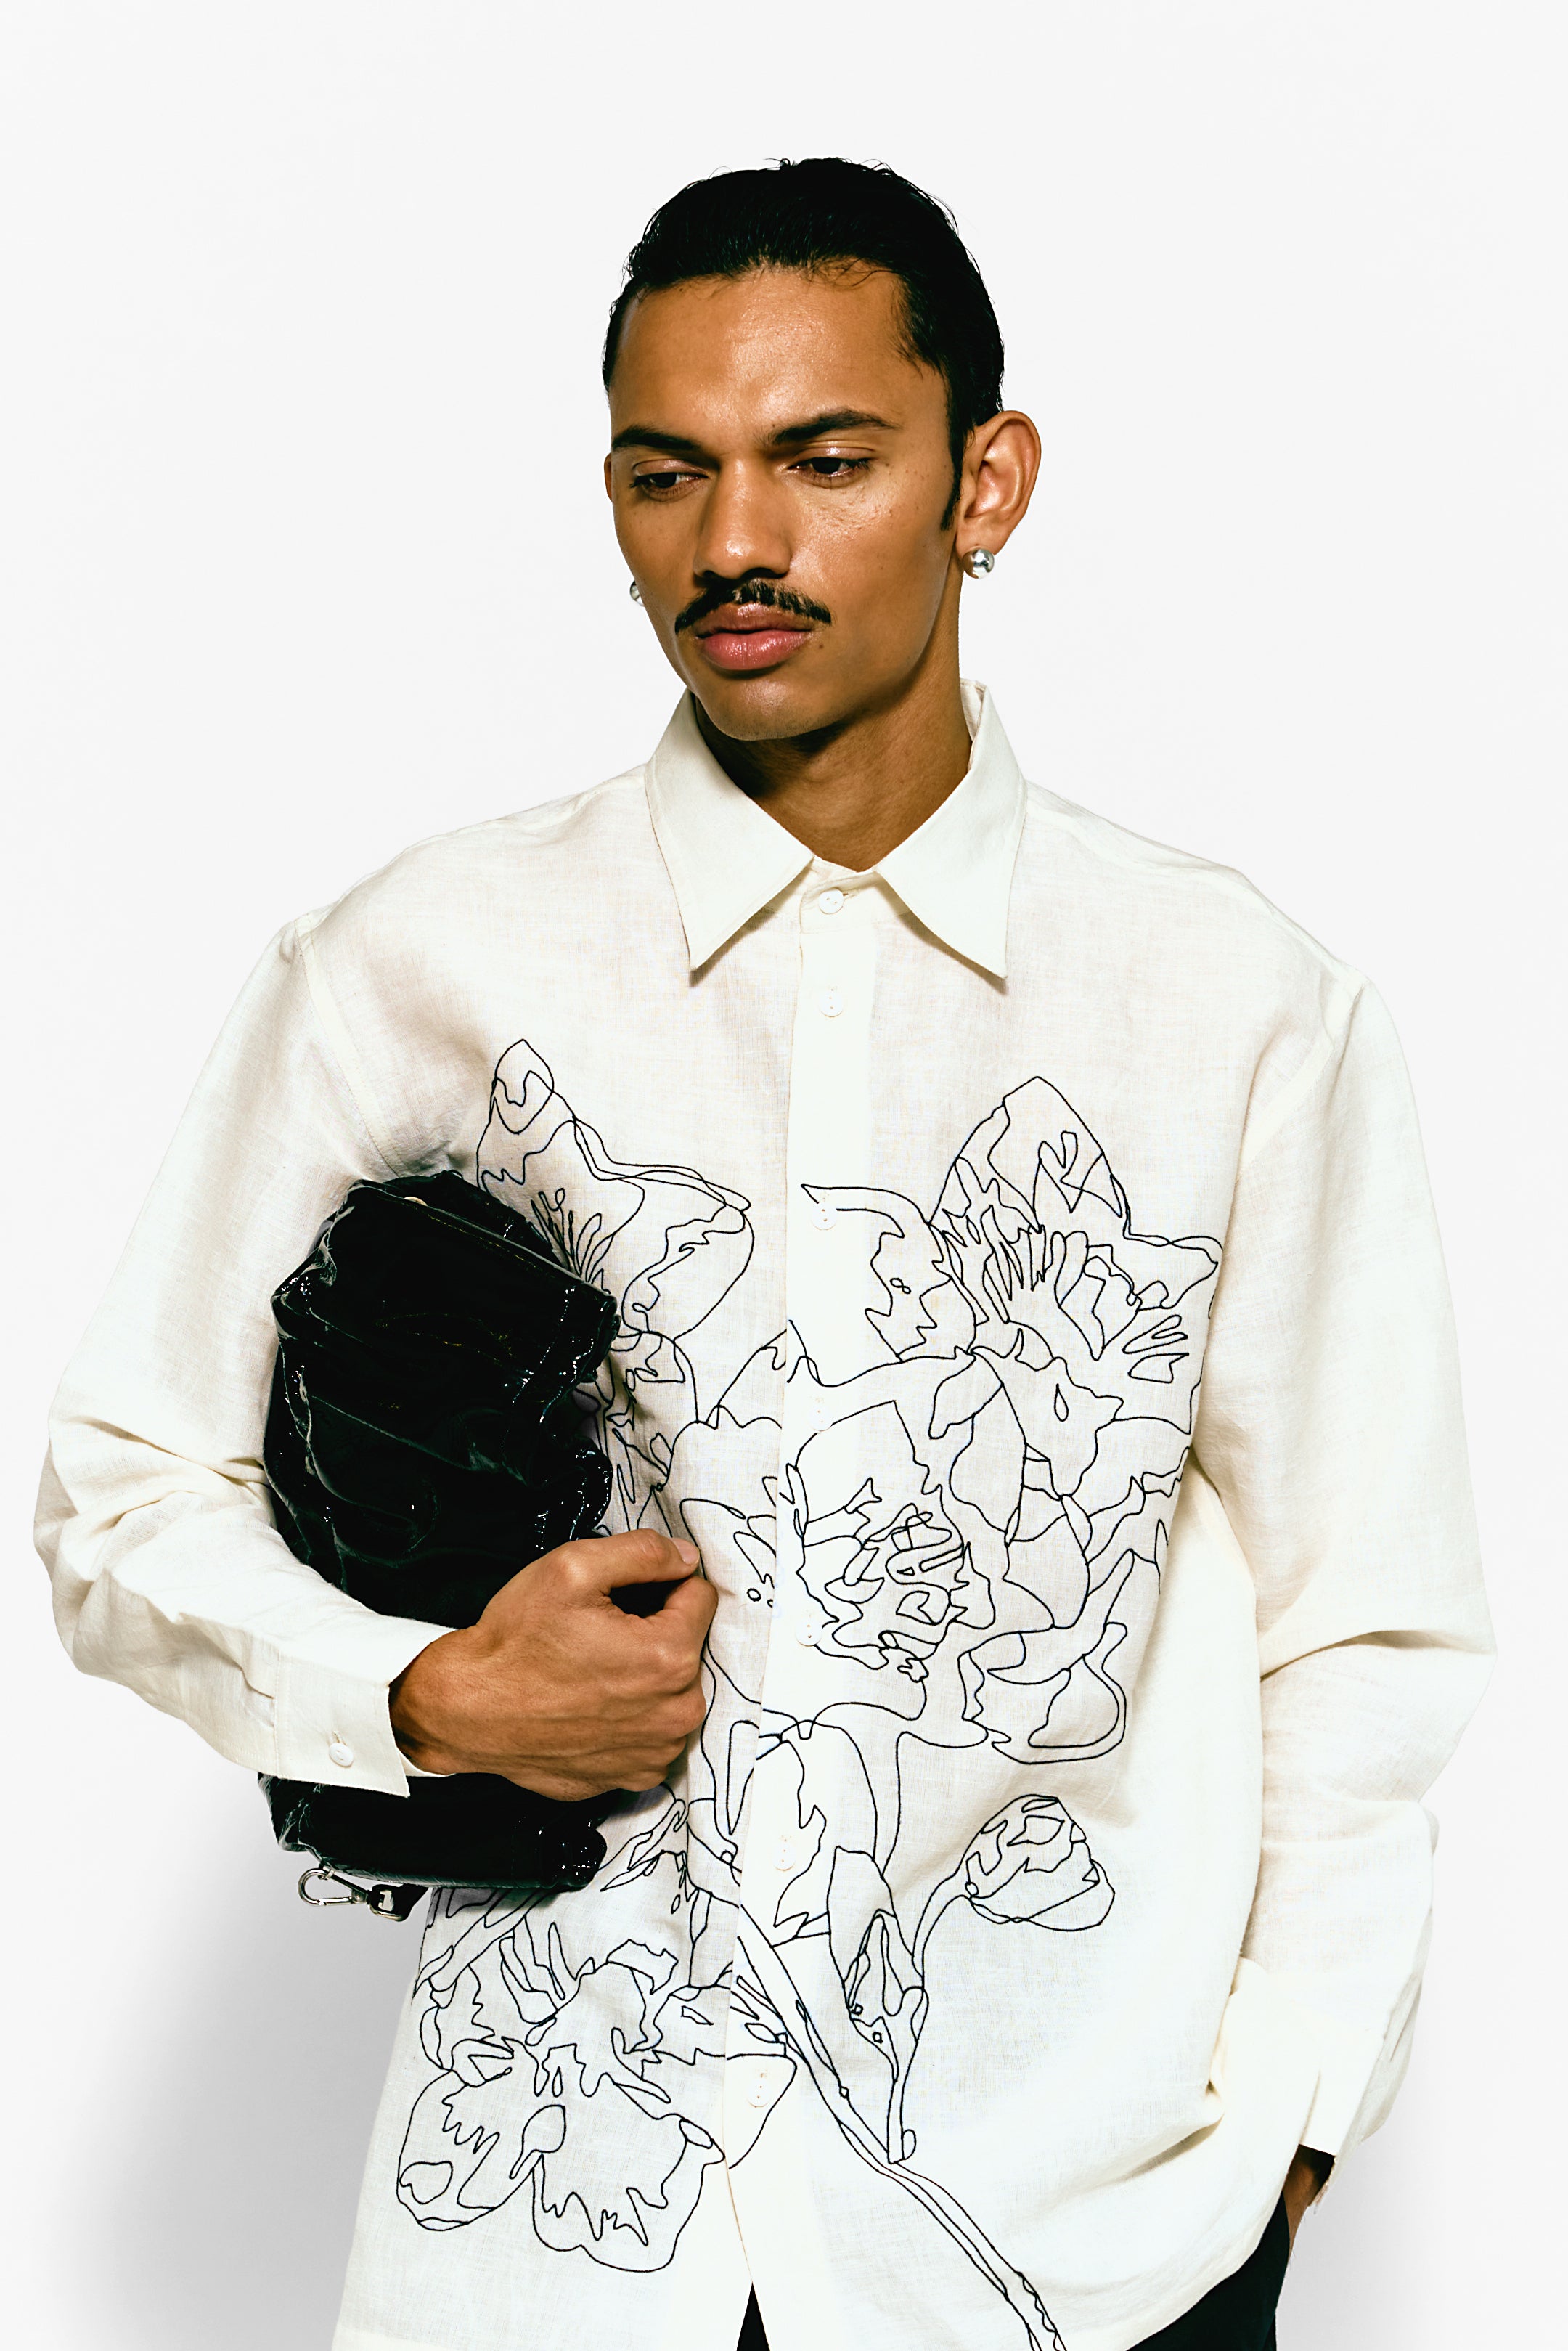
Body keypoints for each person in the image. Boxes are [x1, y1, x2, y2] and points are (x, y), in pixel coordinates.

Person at [36, 158, 1492, 2351]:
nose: (735, 541)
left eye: (825, 460)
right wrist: (422, 1696)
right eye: (668, 472)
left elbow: (1364, 1628)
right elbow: (119, 1492)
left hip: (1066, 2250)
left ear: (985, 482)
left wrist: (1285, 2126)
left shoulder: (1236, 1006)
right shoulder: (418, 965)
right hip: (559, 2248)